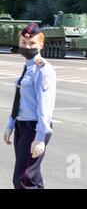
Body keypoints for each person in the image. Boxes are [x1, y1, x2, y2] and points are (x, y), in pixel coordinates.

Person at [2, 23, 56, 189]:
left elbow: (44, 106)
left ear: (41, 44)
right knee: (32, 177)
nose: (27, 47)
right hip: (22, 125)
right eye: (24, 43)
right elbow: (20, 100)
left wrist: (40, 138)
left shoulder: (43, 70)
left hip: (34, 127)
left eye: (32, 43)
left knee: (23, 179)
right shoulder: (28, 67)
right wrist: (10, 125)